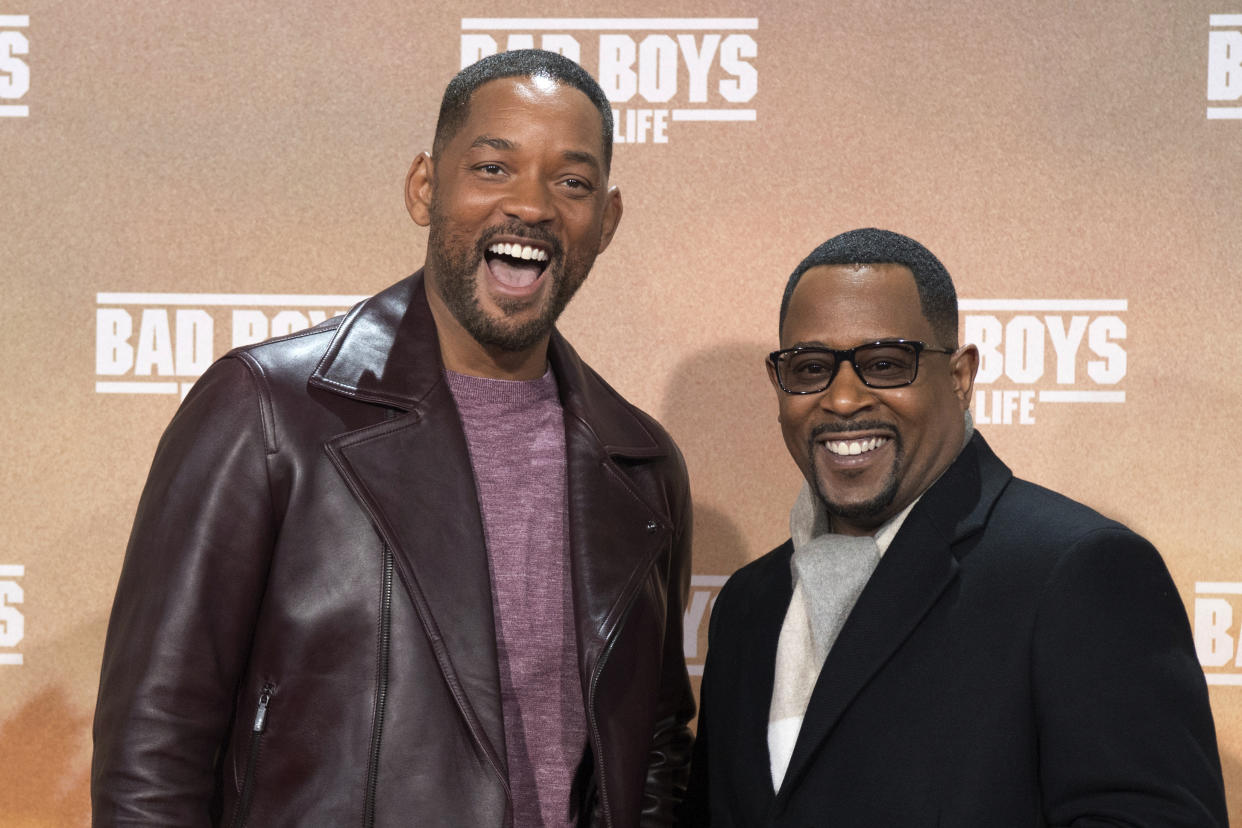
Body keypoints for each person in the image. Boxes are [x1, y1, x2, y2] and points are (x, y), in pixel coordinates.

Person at [92, 49, 694, 827]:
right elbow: (153, 749)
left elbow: (651, 752)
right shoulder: (268, 411)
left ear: (605, 223)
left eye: (571, 182)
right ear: (424, 188)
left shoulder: (640, 466)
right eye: (492, 168)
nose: (532, 206)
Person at [680, 228, 1226, 826]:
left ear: (961, 376)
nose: (841, 400)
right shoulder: (746, 608)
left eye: (884, 364)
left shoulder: (1078, 574)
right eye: (810, 368)